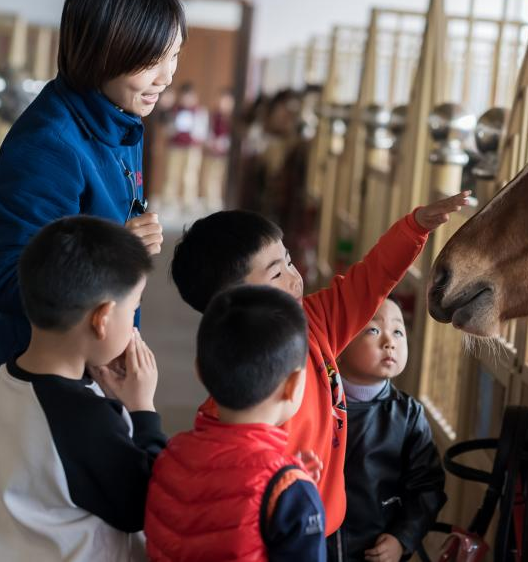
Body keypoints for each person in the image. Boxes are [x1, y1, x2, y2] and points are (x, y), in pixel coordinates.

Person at [169, 191, 471, 537]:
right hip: (277, 539)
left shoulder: (313, 321)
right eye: (275, 274)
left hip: (324, 528)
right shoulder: (231, 397)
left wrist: (413, 228)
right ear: (232, 300)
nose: (295, 278)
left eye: (288, 262)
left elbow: (369, 280)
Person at [0, 0, 184, 461]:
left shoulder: (119, 115)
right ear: (102, 52)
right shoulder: (47, 146)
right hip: (43, 395)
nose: (167, 76)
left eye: (173, 56)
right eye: (152, 60)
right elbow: (6, 281)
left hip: (94, 381)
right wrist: (116, 248)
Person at [0, 216, 165, 562]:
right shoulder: (82, 418)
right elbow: (152, 503)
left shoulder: (10, 376)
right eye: (134, 306)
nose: (135, 317)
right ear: (102, 319)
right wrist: (142, 411)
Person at [145, 286, 326, 561]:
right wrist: (293, 492)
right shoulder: (289, 492)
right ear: (292, 385)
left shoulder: (171, 455)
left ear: (199, 372)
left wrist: (287, 480)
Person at [329, 298, 446, 561]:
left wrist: (402, 538)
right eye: (373, 330)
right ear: (341, 340)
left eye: (398, 331)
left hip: (375, 550)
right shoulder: (316, 403)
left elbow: (427, 488)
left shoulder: (408, 416)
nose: (389, 342)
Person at [163, 82, 208, 214]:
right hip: (175, 147)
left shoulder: (199, 111)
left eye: (190, 96)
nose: (187, 99)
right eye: (184, 96)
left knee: (190, 175)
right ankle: (169, 201)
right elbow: (167, 128)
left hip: (192, 148)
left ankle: (188, 202)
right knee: (172, 174)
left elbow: (202, 130)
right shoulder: (174, 110)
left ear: (195, 97)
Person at [200, 88, 233, 211]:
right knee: (208, 178)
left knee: (220, 178)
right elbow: (206, 131)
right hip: (212, 152)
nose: (222, 103)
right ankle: (210, 202)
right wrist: (211, 143)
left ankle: (216, 202)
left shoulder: (232, 118)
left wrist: (224, 144)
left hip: (225, 154)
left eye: (226, 101)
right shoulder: (213, 115)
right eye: (221, 99)